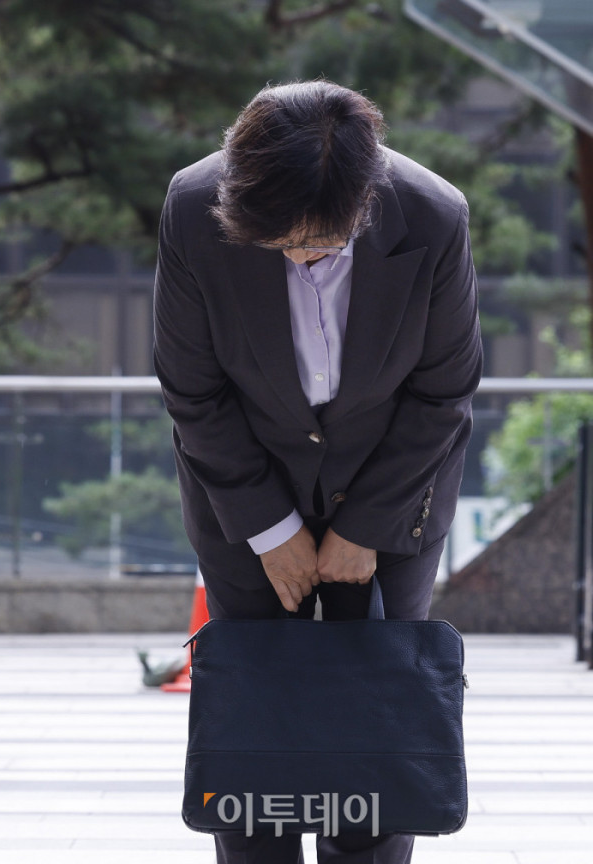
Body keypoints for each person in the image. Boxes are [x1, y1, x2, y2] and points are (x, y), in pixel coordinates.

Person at [153, 80, 482, 864]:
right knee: (253, 727)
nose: (301, 257)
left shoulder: (434, 216)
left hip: (394, 500)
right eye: (281, 244)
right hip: (243, 500)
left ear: (365, 202)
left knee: (378, 728)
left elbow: (443, 393)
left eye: (320, 244)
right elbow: (193, 391)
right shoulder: (193, 206)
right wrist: (270, 530)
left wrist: (364, 530)